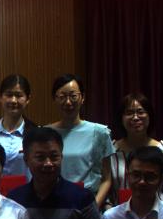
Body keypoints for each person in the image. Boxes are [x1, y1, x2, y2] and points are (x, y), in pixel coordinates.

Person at [47, 74, 115, 208]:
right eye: (62, 97)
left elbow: (107, 179)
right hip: (55, 204)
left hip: (88, 202)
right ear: (55, 99)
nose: (68, 102)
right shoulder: (46, 133)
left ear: (82, 97)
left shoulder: (99, 132)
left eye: (73, 96)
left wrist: (93, 207)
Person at [105, 92, 163, 208]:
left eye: (140, 112)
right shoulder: (110, 151)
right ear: (121, 118)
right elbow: (105, 192)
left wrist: (160, 216)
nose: (135, 117)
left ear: (149, 116)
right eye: (129, 113)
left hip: (158, 216)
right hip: (117, 216)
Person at [0, 74, 38, 178]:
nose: (13, 100)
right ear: (0, 97)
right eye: (9, 95)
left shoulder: (37, 134)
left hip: (26, 188)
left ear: (28, 99)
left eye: (19, 95)